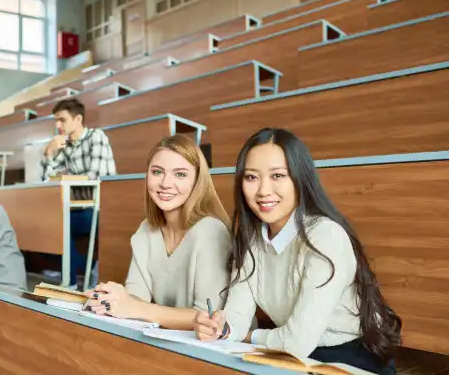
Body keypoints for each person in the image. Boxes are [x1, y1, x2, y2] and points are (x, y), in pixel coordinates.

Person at [192, 128, 402, 374]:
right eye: (251, 177)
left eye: (278, 175)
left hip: (350, 359)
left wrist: (250, 336)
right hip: (292, 356)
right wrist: (221, 329)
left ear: (299, 179)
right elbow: (238, 314)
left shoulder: (325, 236)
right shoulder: (251, 239)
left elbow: (296, 342)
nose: (263, 190)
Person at [83, 134, 232, 330]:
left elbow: (208, 318)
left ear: (197, 181)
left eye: (180, 174)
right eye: (157, 172)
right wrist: (112, 301)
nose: (165, 183)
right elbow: (136, 298)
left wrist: (134, 307)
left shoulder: (212, 232)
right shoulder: (146, 230)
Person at [41, 98, 116, 290]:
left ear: (78, 119)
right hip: (76, 205)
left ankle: (73, 275)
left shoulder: (96, 137)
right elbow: (47, 180)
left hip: (102, 206)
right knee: (46, 226)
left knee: (60, 226)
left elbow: (95, 176)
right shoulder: (65, 145)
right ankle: (75, 275)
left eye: (62, 120)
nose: (58, 125)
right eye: (56, 121)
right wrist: (49, 153)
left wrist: (65, 179)